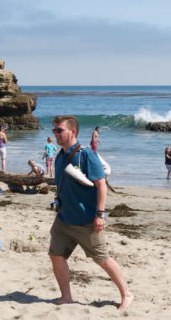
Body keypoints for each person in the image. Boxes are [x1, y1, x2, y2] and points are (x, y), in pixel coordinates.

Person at [48, 115, 132, 312]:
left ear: (73, 132)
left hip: (87, 221)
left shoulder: (86, 155)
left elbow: (101, 185)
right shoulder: (60, 156)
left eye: (59, 130)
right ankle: (66, 296)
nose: (56, 134)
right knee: (56, 255)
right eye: (54, 131)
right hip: (64, 218)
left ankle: (126, 294)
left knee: (102, 258)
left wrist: (100, 214)